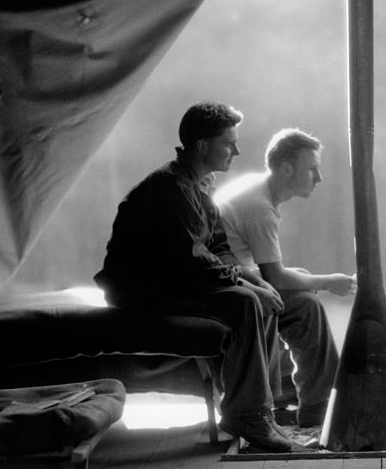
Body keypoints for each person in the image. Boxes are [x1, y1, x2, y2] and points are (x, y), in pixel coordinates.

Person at [93, 102, 292, 452]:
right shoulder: (169, 188)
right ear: (202, 146)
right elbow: (194, 260)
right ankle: (247, 414)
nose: (237, 150)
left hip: (176, 278)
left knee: (263, 296)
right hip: (141, 288)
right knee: (245, 302)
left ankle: (263, 410)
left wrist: (259, 281)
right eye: (229, 143)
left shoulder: (200, 183)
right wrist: (248, 287)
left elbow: (217, 247)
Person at [213, 128, 355, 428]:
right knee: (306, 307)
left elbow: (269, 272)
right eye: (312, 169)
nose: (319, 178)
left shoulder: (258, 191)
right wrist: (329, 282)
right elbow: (275, 277)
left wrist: (312, 279)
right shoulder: (259, 207)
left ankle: (296, 396)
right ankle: (317, 406)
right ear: (287, 169)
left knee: (302, 283)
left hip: (232, 280)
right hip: (224, 290)